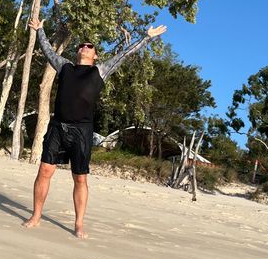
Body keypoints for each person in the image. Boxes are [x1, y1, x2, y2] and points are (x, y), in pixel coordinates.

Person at [24, 18, 167, 238]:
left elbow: (124, 55)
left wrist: (146, 37)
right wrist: (39, 30)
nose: (84, 47)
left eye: (90, 46)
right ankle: (36, 216)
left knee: (79, 177)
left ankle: (79, 223)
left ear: (95, 55)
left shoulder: (100, 71)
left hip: (82, 131)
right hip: (57, 127)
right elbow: (47, 51)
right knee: (44, 170)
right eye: (82, 45)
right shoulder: (65, 67)